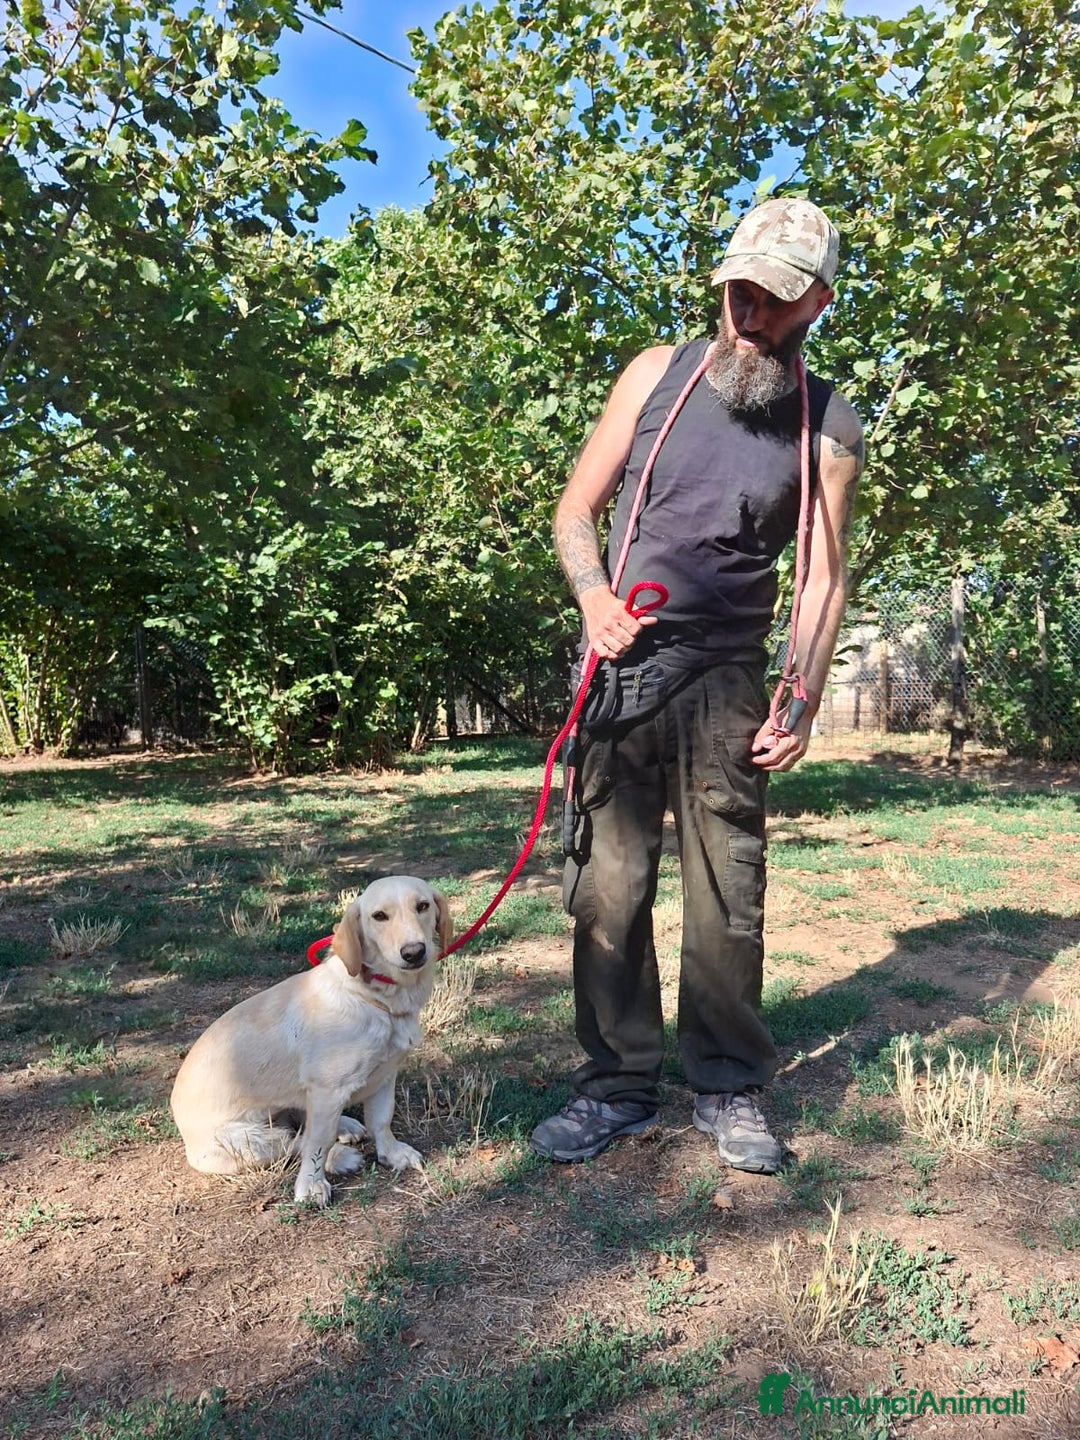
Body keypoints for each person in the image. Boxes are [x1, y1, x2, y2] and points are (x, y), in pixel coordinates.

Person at [531, 197, 864, 1173]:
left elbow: (822, 577)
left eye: (772, 296)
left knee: (730, 892)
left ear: (816, 305)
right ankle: (616, 1087)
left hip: (729, 679)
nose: (747, 308)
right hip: (624, 668)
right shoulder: (653, 375)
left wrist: (798, 698)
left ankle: (728, 1087)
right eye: (737, 288)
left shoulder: (828, 424)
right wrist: (593, 597)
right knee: (608, 885)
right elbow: (573, 511)